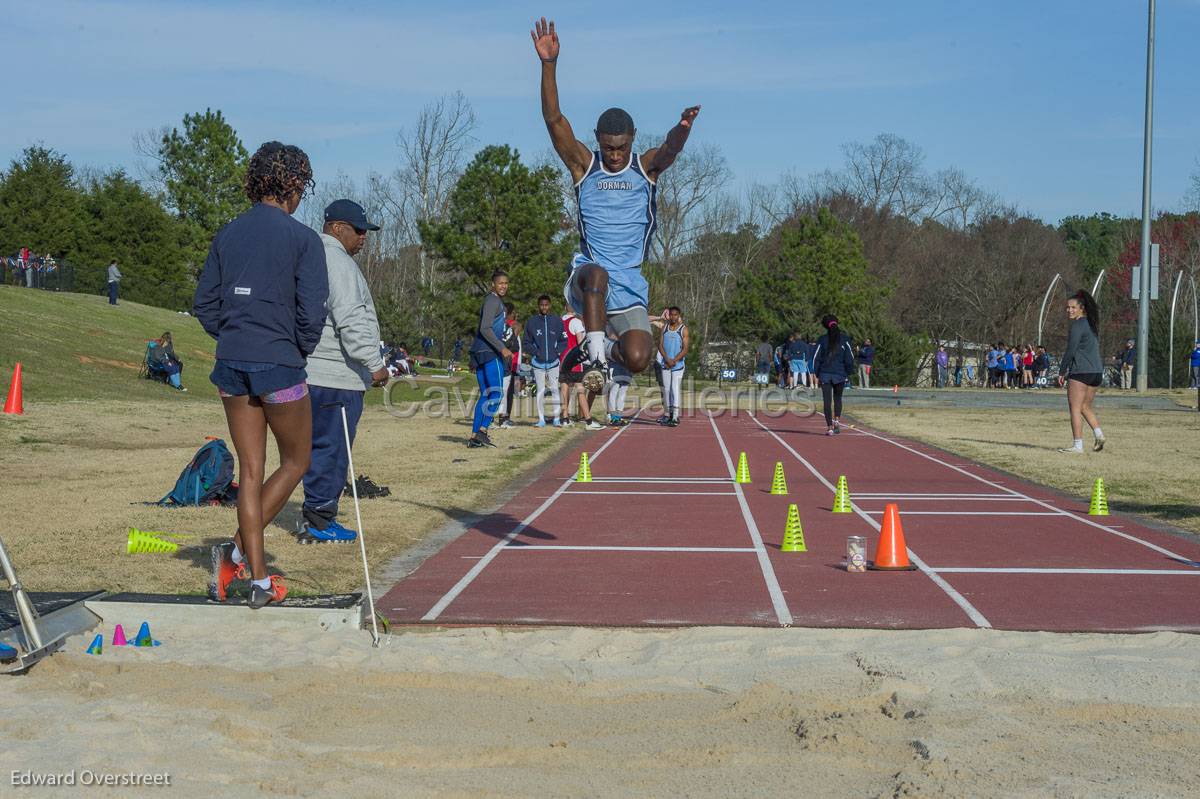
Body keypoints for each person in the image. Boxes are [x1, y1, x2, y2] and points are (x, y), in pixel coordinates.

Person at [533, 17, 699, 392]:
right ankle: (592, 359)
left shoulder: (646, 169)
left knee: (639, 357)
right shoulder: (583, 165)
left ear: (633, 139)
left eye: (621, 146)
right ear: (597, 140)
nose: (614, 154)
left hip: (629, 285)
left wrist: (683, 130)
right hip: (589, 280)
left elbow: (670, 149)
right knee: (597, 273)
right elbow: (553, 118)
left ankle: (603, 348)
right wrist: (549, 65)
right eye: (608, 146)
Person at [194, 141, 327, 609]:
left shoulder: (227, 234)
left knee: (250, 471)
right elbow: (313, 314)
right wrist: (293, 349)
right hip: (279, 364)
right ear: (294, 185)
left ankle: (258, 578)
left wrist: (234, 333)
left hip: (230, 363)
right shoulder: (304, 238)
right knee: (296, 462)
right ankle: (239, 556)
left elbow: (204, 305)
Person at [297, 199, 389, 545]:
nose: (364, 237)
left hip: (309, 373)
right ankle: (320, 520)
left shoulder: (307, 256)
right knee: (332, 450)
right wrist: (375, 365)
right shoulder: (338, 262)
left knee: (307, 450)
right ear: (336, 228)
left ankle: (313, 515)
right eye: (359, 229)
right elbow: (350, 319)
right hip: (336, 376)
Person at [1056, 289, 1106, 454]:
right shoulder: (1092, 324)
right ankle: (1099, 434)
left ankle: (1077, 446)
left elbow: (1071, 350)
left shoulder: (1078, 324)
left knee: (1075, 408)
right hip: (1096, 372)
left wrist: (1062, 371)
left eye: (1072, 307)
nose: (1069, 310)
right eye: (1067, 308)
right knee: (1085, 406)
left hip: (1081, 372)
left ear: (1081, 308)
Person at [467, 271, 513, 448]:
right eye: (500, 283)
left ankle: (474, 437)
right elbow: (485, 328)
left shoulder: (493, 301)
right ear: (493, 284)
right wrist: (502, 348)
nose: (504, 286)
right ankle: (483, 431)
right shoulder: (493, 301)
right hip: (490, 352)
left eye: (506, 283)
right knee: (497, 392)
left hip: (481, 352)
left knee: (486, 394)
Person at [522, 294, 568, 428]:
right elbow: (526, 342)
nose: (544, 307)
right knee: (540, 390)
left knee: (554, 389)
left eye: (546, 305)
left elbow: (563, 340)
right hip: (538, 363)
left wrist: (557, 352)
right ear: (538, 306)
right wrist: (536, 353)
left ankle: (556, 419)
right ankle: (541, 419)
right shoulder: (531, 322)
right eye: (542, 305)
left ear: (550, 305)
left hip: (554, 362)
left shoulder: (557, 321)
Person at [811, 315, 857, 436]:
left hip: (825, 373)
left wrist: (817, 372)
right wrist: (848, 372)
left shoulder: (822, 339)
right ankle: (837, 421)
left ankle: (829, 427)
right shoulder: (845, 339)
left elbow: (815, 357)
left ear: (826, 326)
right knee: (838, 398)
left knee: (827, 401)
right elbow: (850, 358)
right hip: (840, 373)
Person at [658, 306, 688, 426]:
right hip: (666, 363)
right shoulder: (664, 328)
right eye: (671, 315)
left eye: (676, 315)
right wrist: (666, 359)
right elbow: (660, 345)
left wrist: (674, 360)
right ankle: (668, 414)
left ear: (679, 315)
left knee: (674, 389)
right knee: (666, 390)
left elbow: (685, 349)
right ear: (668, 315)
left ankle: (675, 417)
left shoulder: (684, 329)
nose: (673, 317)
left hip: (678, 365)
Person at [559, 305, 586, 425]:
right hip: (574, 358)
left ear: (565, 307)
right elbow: (581, 343)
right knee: (580, 388)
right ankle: (586, 417)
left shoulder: (560, 321)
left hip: (562, 357)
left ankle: (565, 416)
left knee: (564, 387)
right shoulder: (576, 322)